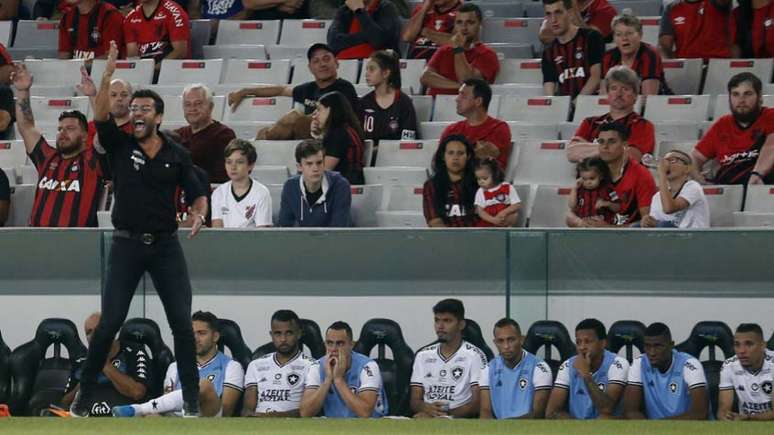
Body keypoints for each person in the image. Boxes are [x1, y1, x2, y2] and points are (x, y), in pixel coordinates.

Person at [70, 42, 208, 418]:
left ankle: (192, 401)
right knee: (109, 322)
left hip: (165, 246)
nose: (138, 113)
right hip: (126, 245)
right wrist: (108, 70)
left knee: (181, 321)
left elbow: (198, 194)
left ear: (159, 117)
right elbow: (99, 116)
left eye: (145, 108)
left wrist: (198, 213)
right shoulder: (119, 143)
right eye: (134, 109)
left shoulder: (177, 154)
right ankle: (83, 396)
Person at [12, 64, 106, 227]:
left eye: (70, 129)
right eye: (60, 129)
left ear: (85, 136)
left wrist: (92, 96)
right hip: (35, 241)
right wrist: (22, 92)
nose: (62, 133)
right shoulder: (47, 157)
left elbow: (106, 131)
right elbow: (26, 127)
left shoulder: (92, 160)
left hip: (75, 244)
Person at [113, 311, 245, 417]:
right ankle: (144, 411)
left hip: (211, 419)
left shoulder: (231, 366)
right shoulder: (175, 367)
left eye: (202, 333)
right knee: (151, 416)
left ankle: (139, 409)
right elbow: (165, 403)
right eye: (192, 334)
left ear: (215, 336)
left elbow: (227, 411)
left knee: (203, 385)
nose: (195, 338)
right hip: (179, 420)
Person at [228, 43, 359, 141]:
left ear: (336, 63)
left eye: (326, 59)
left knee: (294, 117)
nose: (322, 64)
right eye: (316, 61)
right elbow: (281, 90)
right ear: (310, 68)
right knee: (274, 128)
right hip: (304, 140)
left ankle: (265, 138)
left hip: (330, 139)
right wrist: (245, 91)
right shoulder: (308, 88)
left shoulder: (344, 89)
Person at [410, 299, 487, 418]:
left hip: (459, 419)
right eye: (437, 320)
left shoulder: (475, 355)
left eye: (447, 321)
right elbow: (414, 401)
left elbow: (477, 404)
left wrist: (445, 415)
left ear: (461, 325)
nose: (440, 326)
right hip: (426, 416)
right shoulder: (422, 355)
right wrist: (425, 408)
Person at [60, 313, 149, 416]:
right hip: (87, 420)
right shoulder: (81, 360)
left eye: (97, 330)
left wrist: (104, 364)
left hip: (123, 419)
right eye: (89, 332)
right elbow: (65, 402)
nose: (93, 336)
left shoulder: (133, 351)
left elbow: (137, 392)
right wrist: (84, 381)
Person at [693, 72, 774, 185]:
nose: (741, 100)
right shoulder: (722, 124)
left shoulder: (770, 116)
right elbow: (696, 157)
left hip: (760, 183)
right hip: (726, 187)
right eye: (735, 94)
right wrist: (697, 177)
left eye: (748, 94)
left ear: (759, 97)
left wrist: (757, 174)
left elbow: (772, 145)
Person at [568, 66, 655, 164]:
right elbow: (572, 153)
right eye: (614, 88)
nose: (619, 94)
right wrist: (616, 149)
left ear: (635, 95)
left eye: (625, 89)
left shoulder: (643, 125)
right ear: (608, 94)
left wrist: (588, 147)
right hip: (589, 179)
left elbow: (631, 157)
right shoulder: (589, 123)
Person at [300, 321, 388, 418]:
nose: (333, 349)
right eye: (329, 343)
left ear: (351, 345)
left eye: (340, 343)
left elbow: (365, 413)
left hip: (371, 426)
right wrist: (327, 380)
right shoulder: (316, 367)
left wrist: (338, 380)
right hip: (334, 426)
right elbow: (305, 413)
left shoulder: (368, 366)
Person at [545, 318, 629, 419]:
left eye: (587, 341)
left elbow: (606, 408)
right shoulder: (568, 366)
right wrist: (580, 428)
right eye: (578, 342)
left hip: (607, 429)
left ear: (603, 343)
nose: (582, 347)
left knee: (604, 419)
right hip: (577, 428)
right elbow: (551, 412)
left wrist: (586, 375)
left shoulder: (618, 364)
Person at [623, 322, 709, 420]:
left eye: (658, 346)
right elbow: (630, 411)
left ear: (671, 345)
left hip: (686, 429)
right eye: (647, 346)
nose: (652, 353)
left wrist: (658, 427)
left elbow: (699, 414)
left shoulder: (690, 365)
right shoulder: (639, 363)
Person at [242, 310, 316, 417]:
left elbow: (307, 411)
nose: (283, 339)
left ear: (299, 334)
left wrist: (272, 417)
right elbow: (247, 410)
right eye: (278, 333)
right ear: (271, 335)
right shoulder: (255, 365)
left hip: (293, 426)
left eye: (289, 333)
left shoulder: (312, 365)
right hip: (258, 426)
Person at [420, 3, 499, 97]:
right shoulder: (445, 50)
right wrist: (459, 86)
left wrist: (458, 48)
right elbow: (425, 77)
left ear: (480, 24)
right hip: (435, 106)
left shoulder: (487, 54)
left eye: (470, 22)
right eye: (459, 22)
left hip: (466, 108)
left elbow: (466, 80)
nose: (464, 28)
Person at [480, 318, 552, 419]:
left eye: (511, 340)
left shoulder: (539, 368)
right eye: (500, 341)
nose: (506, 346)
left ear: (521, 339)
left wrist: (506, 426)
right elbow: (485, 411)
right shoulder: (488, 369)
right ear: (495, 342)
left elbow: (538, 414)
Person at [440, 78, 512, 169]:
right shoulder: (452, 129)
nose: (457, 99)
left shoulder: (498, 128)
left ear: (478, 101)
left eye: (463, 96)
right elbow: (437, 161)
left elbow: (486, 164)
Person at [593, 123, 656, 226]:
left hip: (630, 238)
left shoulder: (641, 175)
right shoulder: (593, 170)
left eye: (612, 141)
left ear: (625, 145)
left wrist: (609, 228)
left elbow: (648, 225)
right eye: (601, 142)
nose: (605, 147)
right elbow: (572, 215)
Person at [278, 139, 352, 227]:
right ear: (299, 167)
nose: (315, 169)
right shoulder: (290, 187)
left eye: (319, 163)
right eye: (309, 164)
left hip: (334, 240)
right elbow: (284, 228)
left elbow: (339, 229)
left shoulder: (340, 186)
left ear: (324, 163)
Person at [541, 0, 604, 99]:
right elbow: (549, 88)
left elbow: (596, 77)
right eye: (549, 14)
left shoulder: (591, 37)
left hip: (591, 104)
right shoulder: (549, 51)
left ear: (570, 13)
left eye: (558, 12)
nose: (553, 20)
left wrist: (576, 104)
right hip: (565, 109)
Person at [174, 84, 237, 184]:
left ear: (211, 107)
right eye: (187, 104)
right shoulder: (176, 135)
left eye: (198, 104)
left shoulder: (224, 135)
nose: (192, 109)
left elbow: (223, 175)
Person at [360, 49, 419, 148]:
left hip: (395, 157)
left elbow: (408, 139)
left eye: (372, 69)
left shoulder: (404, 102)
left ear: (386, 73)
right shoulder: (363, 103)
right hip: (367, 157)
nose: (366, 73)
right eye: (366, 69)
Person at [211, 139, 272, 228]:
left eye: (239, 162)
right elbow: (217, 231)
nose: (233, 167)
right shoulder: (218, 193)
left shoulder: (261, 193)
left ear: (251, 165)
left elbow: (262, 234)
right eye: (229, 162)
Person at [718, 323, 774, 421]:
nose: (741, 351)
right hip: (745, 425)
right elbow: (723, 410)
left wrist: (747, 418)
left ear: (762, 346)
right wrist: (726, 417)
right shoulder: (729, 366)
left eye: (749, 344)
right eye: (737, 344)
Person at [640, 150, 709, 228]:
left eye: (672, 160)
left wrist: (662, 174)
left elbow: (669, 209)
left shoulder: (693, 187)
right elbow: (654, 224)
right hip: (668, 237)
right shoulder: (657, 196)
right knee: (636, 226)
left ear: (687, 168)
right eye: (665, 161)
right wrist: (647, 221)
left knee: (664, 226)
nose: (666, 164)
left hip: (693, 237)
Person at [601, 14, 667, 96]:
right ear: (614, 38)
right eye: (618, 34)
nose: (624, 38)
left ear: (640, 35)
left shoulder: (650, 54)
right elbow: (604, 96)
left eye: (629, 33)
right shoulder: (608, 57)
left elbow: (648, 98)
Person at [422, 134, 479, 227]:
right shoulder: (431, 185)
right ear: (443, 157)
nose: (455, 158)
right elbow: (434, 222)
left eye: (460, 153)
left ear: (468, 156)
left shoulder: (480, 182)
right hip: (446, 239)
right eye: (450, 153)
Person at [311, 91, 365, 185]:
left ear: (330, 110)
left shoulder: (338, 134)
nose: (315, 116)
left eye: (319, 110)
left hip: (343, 186)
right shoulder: (348, 129)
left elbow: (325, 170)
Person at [123, 0, 191, 70]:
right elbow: (132, 56)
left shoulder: (175, 13)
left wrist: (153, 70)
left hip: (173, 71)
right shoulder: (130, 18)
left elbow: (180, 52)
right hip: (144, 72)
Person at [327, 0, 402, 60]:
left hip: (378, 64)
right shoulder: (345, 10)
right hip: (346, 64)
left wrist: (359, 11)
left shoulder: (386, 7)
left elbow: (379, 41)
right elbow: (333, 43)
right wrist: (367, 36)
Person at [659, 0, 734, 59]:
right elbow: (665, 46)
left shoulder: (717, 2)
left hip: (717, 61)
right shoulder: (672, 8)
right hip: (687, 64)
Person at [58, 0, 124, 61]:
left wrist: (80, 67)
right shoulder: (67, 17)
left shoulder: (109, 15)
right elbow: (64, 57)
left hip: (105, 72)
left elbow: (111, 57)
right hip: (76, 71)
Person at [79, 76, 134, 149]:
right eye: (113, 95)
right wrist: (92, 95)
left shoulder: (138, 127)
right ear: (106, 99)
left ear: (132, 99)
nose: (119, 98)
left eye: (124, 95)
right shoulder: (91, 128)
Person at [566, 157, 620, 227]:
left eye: (592, 178)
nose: (588, 182)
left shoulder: (608, 189)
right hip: (583, 223)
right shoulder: (580, 190)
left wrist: (608, 204)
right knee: (568, 216)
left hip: (601, 224)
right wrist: (574, 189)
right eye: (584, 179)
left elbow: (619, 207)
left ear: (601, 176)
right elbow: (572, 205)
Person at [539, 0, 618, 44]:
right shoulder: (560, 5)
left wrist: (572, 7)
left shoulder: (606, 10)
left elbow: (590, 40)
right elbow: (545, 36)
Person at [473, 158, 520, 228]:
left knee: (515, 215)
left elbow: (516, 205)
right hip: (488, 222)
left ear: (495, 175)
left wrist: (504, 212)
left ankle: (506, 230)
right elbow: (480, 211)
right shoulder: (481, 191)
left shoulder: (507, 187)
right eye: (479, 179)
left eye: (485, 178)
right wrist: (493, 220)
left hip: (504, 219)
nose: (481, 181)